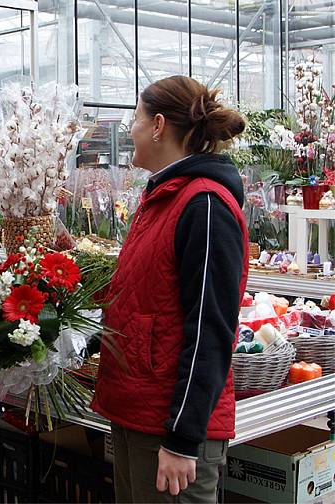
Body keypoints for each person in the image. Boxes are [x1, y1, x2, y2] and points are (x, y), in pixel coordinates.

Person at [91, 75, 248, 502]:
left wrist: (182, 438)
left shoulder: (204, 205)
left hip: (168, 425)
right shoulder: (162, 197)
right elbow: (146, 298)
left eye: (135, 120)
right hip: (137, 411)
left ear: (158, 125)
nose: (130, 130)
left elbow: (211, 329)